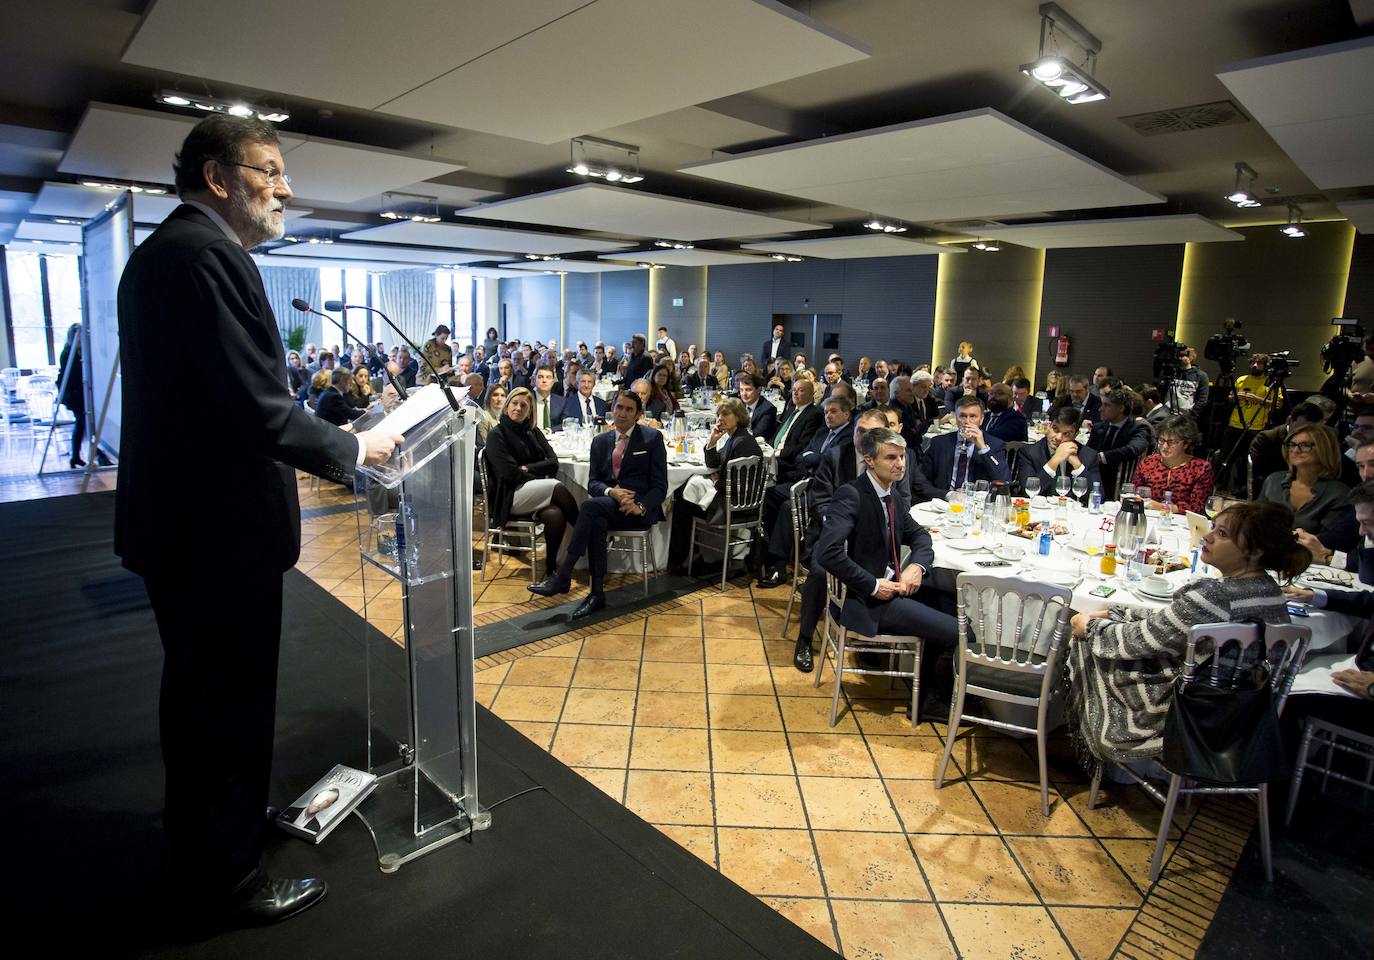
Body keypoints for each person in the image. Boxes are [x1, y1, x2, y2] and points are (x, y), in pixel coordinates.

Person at [115, 114, 402, 926]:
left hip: (188, 528)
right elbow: (257, 410)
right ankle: (227, 878)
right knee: (226, 706)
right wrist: (358, 444)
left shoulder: (164, 252)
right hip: (215, 536)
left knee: (204, 699)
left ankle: (217, 832)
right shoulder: (209, 258)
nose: (285, 187)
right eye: (268, 170)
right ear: (217, 177)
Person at [1068, 501, 1306, 764]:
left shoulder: (1217, 596)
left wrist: (1089, 627)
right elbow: (1172, 623)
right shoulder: (1270, 591)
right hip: (1244, 717)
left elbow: (1140, 640)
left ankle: (1101, 755)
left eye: (1222, 534)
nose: (1207, 536)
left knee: (1089, 643)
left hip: (1192, 717)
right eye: (1213, 528)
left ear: (1255, 551)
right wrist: (1116, 613)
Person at [815, 427, 959, 705]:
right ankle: (933, 703)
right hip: (868, 601)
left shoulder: (889, 494)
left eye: (902, 457)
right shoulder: (852, 495)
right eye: (891, 458)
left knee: (959, 609)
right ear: (869, 460)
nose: (900, 464)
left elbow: (920, 535)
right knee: (957, 632)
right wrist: (872, 584)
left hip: (893, 587)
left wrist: (917, 566)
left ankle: (927, 690)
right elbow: (827, 552)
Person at [528, 390, 668, 619]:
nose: (622, 413)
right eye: (619, 407)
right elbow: (593, 482)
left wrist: (640, 506)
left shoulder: (652, 439)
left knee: (590, 509)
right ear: (612, 409)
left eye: (629, 409)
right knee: (596, 518)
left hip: (638, 509)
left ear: (638, 414)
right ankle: (596, 593)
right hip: (609, 505)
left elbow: (660, 485)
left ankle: (564, 575)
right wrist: (611, 491)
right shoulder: (600, 441)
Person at [757, 395, 854, 587]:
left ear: (846, 414)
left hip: (828, 490)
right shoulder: (822, 433)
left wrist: (814, 459)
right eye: (826, 412)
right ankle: (768, 552)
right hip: (806, 481)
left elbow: (828, 461)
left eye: (834, 412)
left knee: (788, 507)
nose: (828, 416)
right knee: (770, 495)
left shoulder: (849, 437)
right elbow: (802, 456)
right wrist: (813, 459)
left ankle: (779, 566)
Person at [483, 388, 580, 569]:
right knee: (556, 486)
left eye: (524, 406)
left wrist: (528, 468)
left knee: (555, 514)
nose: (518, 408)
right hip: (509, 496)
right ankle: (585, 534)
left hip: (530, 490)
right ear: (507, 405)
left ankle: (551, 566)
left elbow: (553, 463)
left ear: (530, 412)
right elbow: (510, 474)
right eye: (514, 403)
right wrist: (537, 475)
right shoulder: (497, 435)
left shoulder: (532, 431)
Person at [666, 397, 763, 574]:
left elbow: (737, 486)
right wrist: (712, 441)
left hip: (733, 506)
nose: (720, 419)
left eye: (725, 414)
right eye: (718, 415)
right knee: (684, 495)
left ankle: (677, 561)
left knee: (682, 504)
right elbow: (714, 463)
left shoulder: (742, 443)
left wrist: (716, 481)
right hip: (731, 501)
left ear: (739, 416)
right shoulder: (737, 438)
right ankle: (691, 554)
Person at [1258, 422, 1351, 537]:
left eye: (1305, 445)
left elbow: (1326, 541)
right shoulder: (1273, 480)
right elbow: (1254, 521)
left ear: (1324, 449)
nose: (1295, 450)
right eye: (1292, 444)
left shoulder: (1339, 494)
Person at [921, 395, 1012, 493]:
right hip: (945, 501)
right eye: (963, 416)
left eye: (973, 416)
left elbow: (1004, 481)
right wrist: (946, 496)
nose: (967, 422)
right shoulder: (939, 443)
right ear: (956, 418)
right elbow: (922, 481)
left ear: (981, 419)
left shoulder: (995, 444)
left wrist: (983, 448)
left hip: (977, 502)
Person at [1221, 353, 1282, 494]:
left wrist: (1258, 399)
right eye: (1253, 362)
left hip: (1255, 426)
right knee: (1226, 457)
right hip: (1235, 424)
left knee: (1246, 461)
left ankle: (1241, 490)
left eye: (1259, 363)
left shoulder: (1270, 382)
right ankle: (1222, 487)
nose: (1255, 365)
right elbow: (1230, 397)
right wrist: (1235, 396)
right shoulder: (1241, 379)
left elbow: (1278, 405)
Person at [1131, 415, 1215, 515]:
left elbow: (1198, 508)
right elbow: (1134, 495)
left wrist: (1163, 507)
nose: (1165, 446)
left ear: (1186, 443)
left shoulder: (1200, 468)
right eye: (1161, 440)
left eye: (1171, 442)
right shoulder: (1148, 463)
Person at [1014, 407, 1100, 500]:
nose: (1058, 437)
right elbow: (1028, 493)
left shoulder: (1088, 455)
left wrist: (1078, 466)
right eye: (1055, 429)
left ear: (1076, 435)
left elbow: (1097, 498)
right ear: (1048, 426)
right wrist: (1054, 461)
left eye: (1066, 433)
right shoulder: (1029, 453)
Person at [1089, 388, 1154, 495]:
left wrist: (1102, 457)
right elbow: (1088, 452)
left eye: (1106, 405)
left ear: (1121, 408)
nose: (1100, 409)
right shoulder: (1098, 428)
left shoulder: (1139, 428)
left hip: (1121, 484)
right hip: (1095, 482)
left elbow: (1133, 449)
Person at [57, 322, 90, 468]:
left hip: (80, 394)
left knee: (82, 424)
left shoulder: (79, 352)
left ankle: (76, 456)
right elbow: (70, 375)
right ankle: (80, 456)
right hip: (74, 395)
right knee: (83, 423)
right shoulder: (68, 353)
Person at [738, 373, 778, 439]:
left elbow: (758, 433)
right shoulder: (740, 404)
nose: (744, 394)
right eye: (741, 390)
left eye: (748, 390)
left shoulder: (768, 409)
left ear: (758, 390)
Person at [528, 365, 567, 432]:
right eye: (540, 377)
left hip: (554, 438)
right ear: (534, 380)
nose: (544, 380)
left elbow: (565, 423)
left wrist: (549, 430)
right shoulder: (527, 400)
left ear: (553, 382)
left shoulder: (561, 401)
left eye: (548, 377)